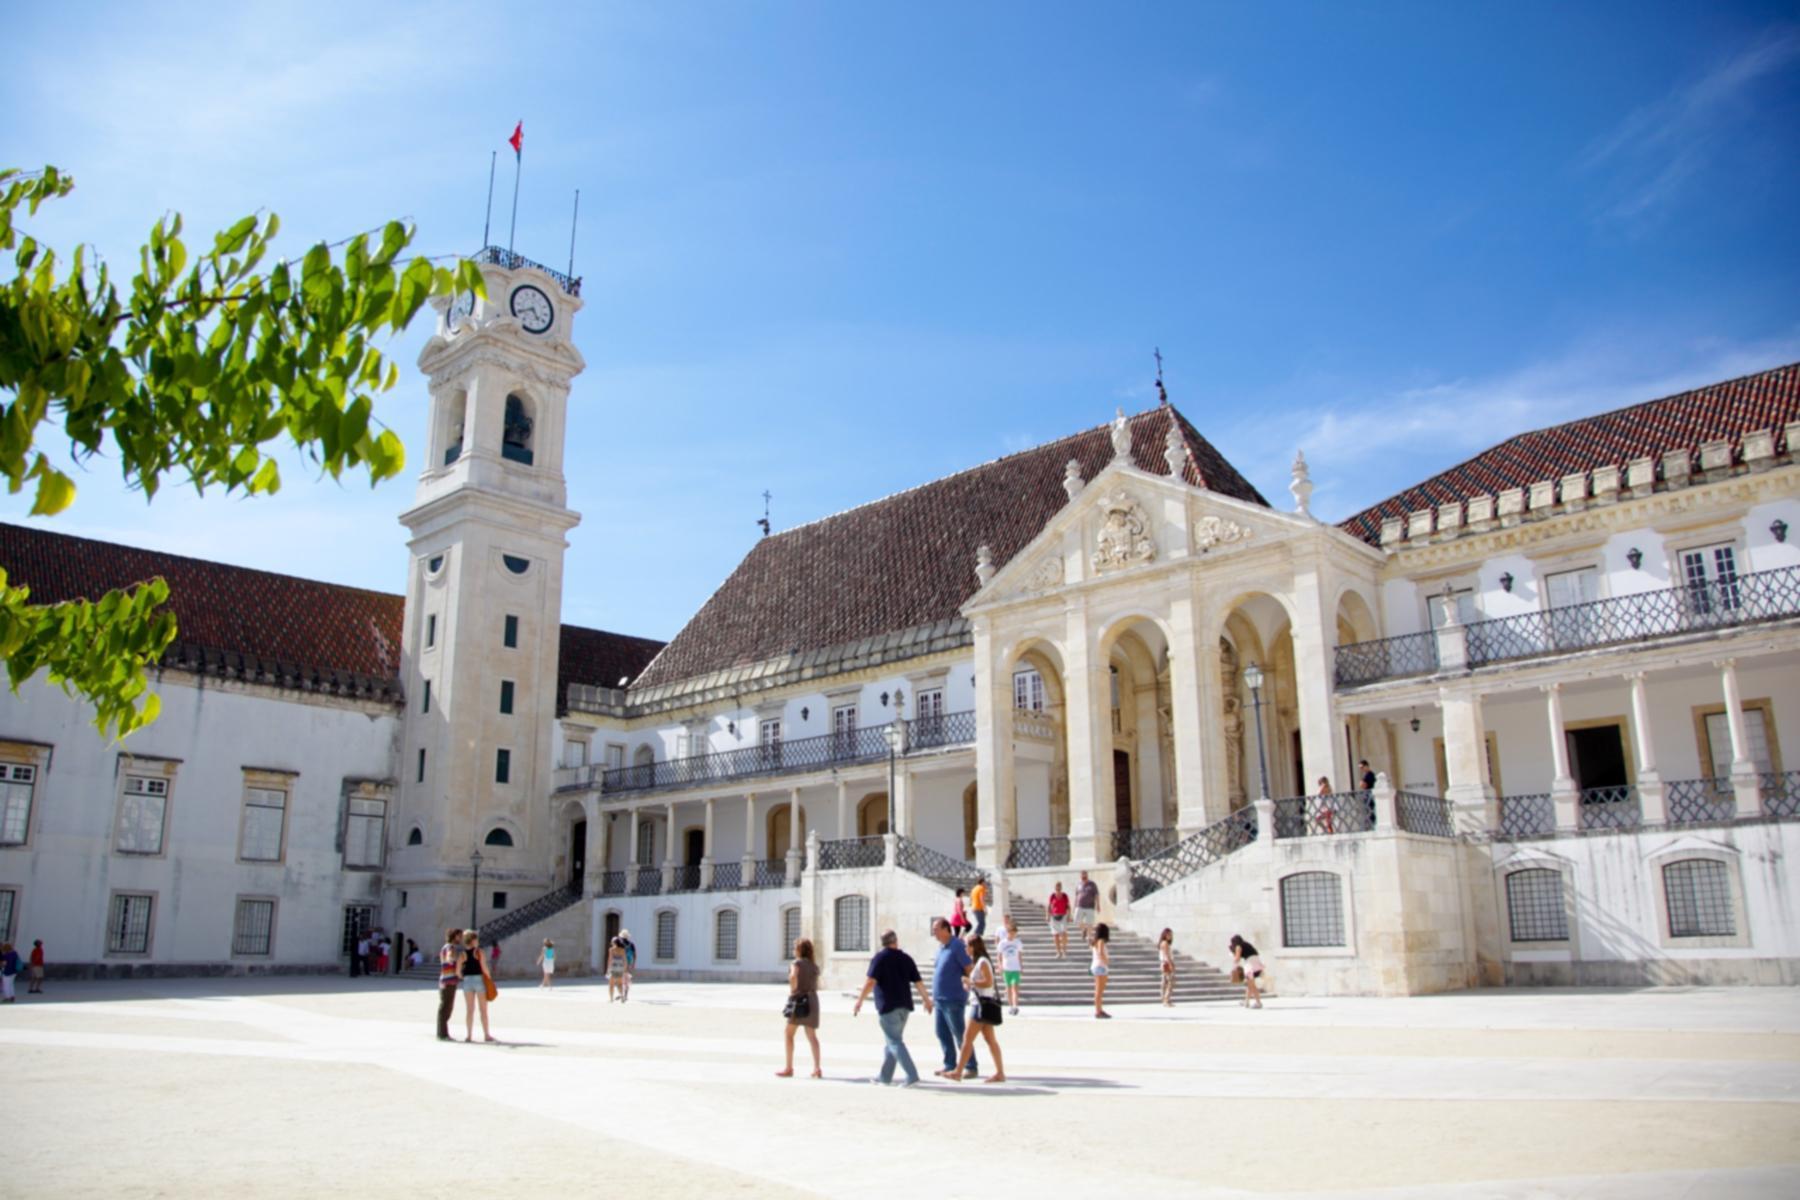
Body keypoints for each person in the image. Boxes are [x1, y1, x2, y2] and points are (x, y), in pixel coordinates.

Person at [851, 929, 933, 1086]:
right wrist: (927, 1000)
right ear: (896, 941)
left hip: (889, 1006)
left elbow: (870, 982)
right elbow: (918, 982)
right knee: (893, 1041)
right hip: (905, 1007)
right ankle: (885, 1077)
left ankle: (912, 1075)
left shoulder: (880, 958)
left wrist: (860, 1000)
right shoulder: (906, 958)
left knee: (894, 1041)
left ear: (882, 943)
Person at [949, 934, 1007, 1083]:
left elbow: (988, 982)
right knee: (990, 1040)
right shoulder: (980, 961)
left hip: (980, 1005)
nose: (965, 948)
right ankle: (1000, 1072)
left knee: (967, 1039)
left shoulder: (982, 962)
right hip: (982, 1003)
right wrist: (970, 984)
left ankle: (958, 1071)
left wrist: (971, 982)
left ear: (973, 946)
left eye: (967, 945)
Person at [929, 917, 977, 1078]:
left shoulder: (957, 946)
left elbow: (969, 967)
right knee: (941, 1032)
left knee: (959, 1033)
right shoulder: (941, 948)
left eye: (936, 929)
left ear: (945, 929)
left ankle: (971, 1066)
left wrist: (970, 985)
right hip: (940, 998)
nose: (933, 932)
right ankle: (949, 1064)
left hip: (953, 997)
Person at [777, 937, 822, 1079]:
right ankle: (817, 1068)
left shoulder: (796, 963)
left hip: (799, 1000)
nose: (793, 950)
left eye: (794, 947)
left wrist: (793, 990)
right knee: (812, 1036)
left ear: (799, 950)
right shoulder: (814, 966)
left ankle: (789, 1067)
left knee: (788, 1033)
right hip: (813, 1000)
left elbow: (793, 976)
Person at [461, 931, 496, 1042]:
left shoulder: (463, 954)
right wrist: (489, 978)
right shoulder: (479, 952)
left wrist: (464, 977)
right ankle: (486, 1035)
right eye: (476, 939)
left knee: (469, 1010)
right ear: (473, 940)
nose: (478, 941)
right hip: (479, 980)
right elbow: (484, 967)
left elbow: (458, 971)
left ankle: (469, 1036)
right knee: (483, 1010)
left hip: (467, 981)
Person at [436, 927, 463, 1041]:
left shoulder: (445, 947)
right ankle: (442, 1034)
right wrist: (453, 959)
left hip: (447, 980)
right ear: (454, 936)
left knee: (446, 1007)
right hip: (448, 981)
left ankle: (443, 1033)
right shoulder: (450, 947)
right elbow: (449, 957)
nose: (460, 938)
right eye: (459, 936)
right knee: (446, 1007)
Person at [996, 914, 1024, 1016]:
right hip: (1006, 967)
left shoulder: (1018, 942)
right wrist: (999, 966)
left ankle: (1016, 1006)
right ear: (1008, 932)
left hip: (1015, 967)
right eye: (1011, 933)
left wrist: (1021, 966)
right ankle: (1011, 1006)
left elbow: (1020, 955)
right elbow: (999, 956)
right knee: (1008, 988)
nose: (1013, 935)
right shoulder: (1002, 943)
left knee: (1015, 987)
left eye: (1014, 933)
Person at [1230, 934, 1265, 1009]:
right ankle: (1246, 1002)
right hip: (1256, 962)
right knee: (1250, 984)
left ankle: (1258, 1003)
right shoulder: (1246, 944)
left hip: (1250, 964)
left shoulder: (1238, 947)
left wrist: (1232, 955)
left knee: (1252, 985)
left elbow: (1237, 959)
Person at [1091, 922, 1112, 1019]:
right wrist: (1106, 960)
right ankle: (1098, 1011)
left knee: (1099, 991)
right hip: (1100, 966)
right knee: (1099, 991)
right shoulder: (1101, 941)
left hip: (1097, 965)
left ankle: (1099, 1009)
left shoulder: (1095, 941)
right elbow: (1100, 952)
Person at [1047, 881, 1072, 959]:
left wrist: (1069, 916)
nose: (1058, 888)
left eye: (1059, 886)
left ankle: (1064, 951)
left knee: (1064, 934)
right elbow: (1049, 906)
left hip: (1063, 916)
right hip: (1054, 917)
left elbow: (1068, 906)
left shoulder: (1064, 896)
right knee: (1056, 935)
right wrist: (1047, 916)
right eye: (1056, 886)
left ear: (1061, 887)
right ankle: (1058, 952)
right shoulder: (1052, 896)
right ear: (1055, 887)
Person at [1075, 870, 1099, 940]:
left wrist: (1098, 905)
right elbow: (1076, 895)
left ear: (1087, 875)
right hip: (1079, 905)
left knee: (1090, 922)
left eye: (1085, 875)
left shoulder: (1092, 884)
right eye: (1082, 875)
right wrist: (1074, 906)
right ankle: (1084, 929)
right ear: (1080, 876)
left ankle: (1089, 937)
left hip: (1090, 906)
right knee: (1077, 920)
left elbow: (1096, 895)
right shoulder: (1078, 884)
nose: (1084, 877)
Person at [606, 936, 628, 1002]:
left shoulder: (611, 949)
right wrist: (625, 968)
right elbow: (625, 960)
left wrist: (608, 969)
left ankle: (611, 999)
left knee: (611, 984)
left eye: (612, 941)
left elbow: (610, 959)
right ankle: (622, 996)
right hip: (620, 967)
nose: (611, 943)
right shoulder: (622, 950)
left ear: (614, 942)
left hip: (613, 967)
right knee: (620, 984)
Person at [1158, 928, 1176, 1007]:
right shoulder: (1165, 943)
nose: (1170, 936)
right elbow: (1166, 955)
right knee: (1170, 982)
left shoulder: (1164, 943)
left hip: (1164, 963)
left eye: (1171, 935)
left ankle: (1165, 1000)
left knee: (1165, 982)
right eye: (1169, 935)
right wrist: (1170, 964)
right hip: (1166, 964)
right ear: (1165, 935)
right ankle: (1166, 1000)